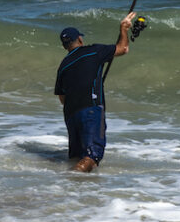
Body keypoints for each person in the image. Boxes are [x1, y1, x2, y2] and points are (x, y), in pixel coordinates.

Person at [54, 12, 136, 172]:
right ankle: (68, 181)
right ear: (80, 39)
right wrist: (124, 29)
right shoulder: (93, 51)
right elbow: (123, 48)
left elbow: (62, 98)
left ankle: (72, 192)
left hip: (70, 115)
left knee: (76, 157)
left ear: (65, 46)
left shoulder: (63, 65)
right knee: (91, 157)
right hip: (90, 109)